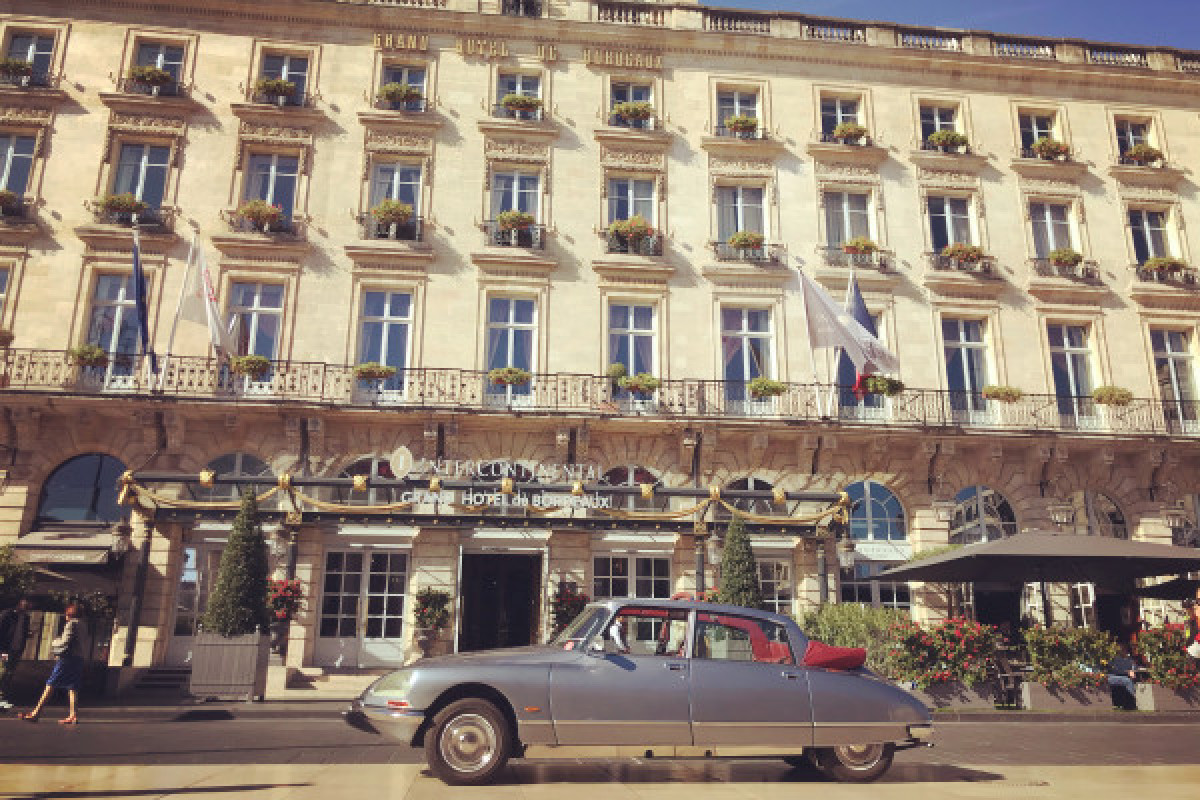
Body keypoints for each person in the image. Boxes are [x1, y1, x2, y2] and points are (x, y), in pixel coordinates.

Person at [19, 603, 82, 724]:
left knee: (51, 683)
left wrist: (55, 641)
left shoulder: (71, 624)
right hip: (78, 659)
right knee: (72, 687)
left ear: (70, 614)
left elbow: (65, 642)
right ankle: (73, 715)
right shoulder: (83, 625)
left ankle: (36, 713)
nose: (65, 617)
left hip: (67, 659)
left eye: (66, 614)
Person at [0, 597, 32, 711]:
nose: (28, 607)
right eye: (26, 605)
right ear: (20, 603)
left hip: (16, 651)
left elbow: (22, 633)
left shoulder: (26, 617)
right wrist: (2, 651)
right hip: (5, 650)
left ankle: (2, 701)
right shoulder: (7, 614)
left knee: (8, 675)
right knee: (2, 674)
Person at [1106, 645, 1139, 710]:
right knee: (1127, 681)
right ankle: (1131, 703)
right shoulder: (1114, 659)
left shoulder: (1129, 659)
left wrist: (1133, 670)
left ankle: (1129, 702)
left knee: (1130, 681)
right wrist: (1127, 672)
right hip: (1112, 676)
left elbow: (1134, 667)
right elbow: (1114, 670)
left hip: (1124, 677)